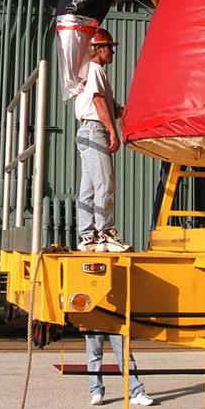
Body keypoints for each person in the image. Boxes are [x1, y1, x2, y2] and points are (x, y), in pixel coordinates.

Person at [74, 29, 129, 253]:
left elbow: (110, 105)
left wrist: (124, 113)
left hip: (86, 131)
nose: (112, 52)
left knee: (88, 187)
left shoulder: (93, 73)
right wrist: (113, 131)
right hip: (95, 129)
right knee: (105, 183)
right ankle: (106, 232)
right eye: (109, 48)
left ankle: (88, 236)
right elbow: (98, 102)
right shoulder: (95, 69)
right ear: (98, 49)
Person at [84, 331, 154, 406]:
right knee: (94, 355)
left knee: (125, 354)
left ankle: (136, 392)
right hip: (94, 321)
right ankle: (96, 392)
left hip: (118, 322)